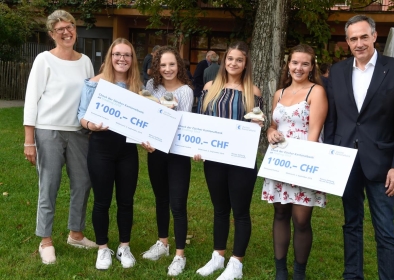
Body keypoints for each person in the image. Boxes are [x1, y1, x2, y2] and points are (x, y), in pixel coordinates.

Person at [324, 15, 394, 280]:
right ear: (347, 42)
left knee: (385, 229)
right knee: (351, 223)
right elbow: (333, 119)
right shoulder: (338, 71)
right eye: (353, 38)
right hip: (345, 160)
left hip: (382, 163)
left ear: (375, 36)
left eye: (364, 36)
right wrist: (330, 155)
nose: (359, 43)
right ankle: (352, 275)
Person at [23, 9, 97, 265]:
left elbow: (90, 96)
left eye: (70, 27)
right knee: (49, 185)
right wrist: (29, 140)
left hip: (78, 133)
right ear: (52, 34)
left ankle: (76, 234)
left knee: (83, 182)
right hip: (48, 131)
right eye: (60, 29)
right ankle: (46, 240)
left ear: (75, 29)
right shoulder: (44, 60)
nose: (67, 32)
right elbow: (31, 100)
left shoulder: (85, 61)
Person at [78, 38, 151, 270]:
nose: (122, 59)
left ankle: (124, 246)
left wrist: (149, 139)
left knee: (126, 201)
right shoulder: (94, 84)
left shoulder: (139, 88)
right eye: (117, 54)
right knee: (102, 201)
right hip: (101, 148)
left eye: (127, 55)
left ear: (132, 59)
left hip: (127, 151)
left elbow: (146, 123)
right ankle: (102, 249)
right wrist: (92, 126)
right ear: (110, 57)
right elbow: (81, 116)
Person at [194, 41, 263, 280]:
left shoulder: (253, 91)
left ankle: (236, 263)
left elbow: (257, 123)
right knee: (220, 209)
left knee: (240, 211)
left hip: (241, 159)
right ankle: (218, 256)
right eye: (230, 59)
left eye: (239, 60)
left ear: (245, 64)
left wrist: (258, 124)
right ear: (224, 61)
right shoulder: (210, 86)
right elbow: (200, 121)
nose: (234, 63)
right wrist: (198, 146)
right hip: (214, 158)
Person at [262, 44, 327, 280]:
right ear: (288, 65)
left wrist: (303, 165)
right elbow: (274, 124)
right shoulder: (279, 93)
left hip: (304, 161)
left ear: (312, 67)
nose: (298, 68)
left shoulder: (316, 92)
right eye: (294, 63)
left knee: (301, 219)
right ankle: (281, 270)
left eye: (305, 63)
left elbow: (315, 131)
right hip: (279, 160)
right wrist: (270, 132)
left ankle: (299, 272)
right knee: (280, 213)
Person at [141, 46, 194, 277]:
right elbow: (145, 117)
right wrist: (145, 139)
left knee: (178, 204)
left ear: (178, 65)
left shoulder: (186, 92)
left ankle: (179, 254)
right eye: (162, 65)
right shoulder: (151, 87)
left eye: (172, 64)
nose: (167, 69)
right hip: (156, 151)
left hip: (178, 153)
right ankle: (163, 243)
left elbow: (183, 125)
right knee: (161, 199)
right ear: (156, 67)